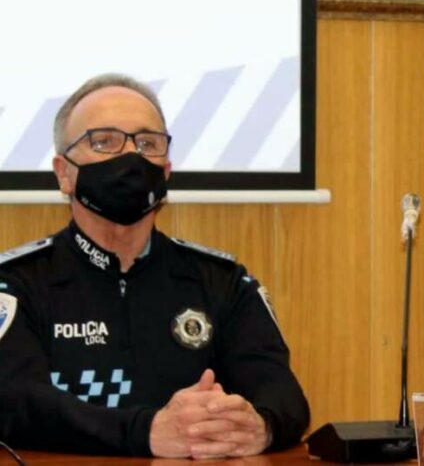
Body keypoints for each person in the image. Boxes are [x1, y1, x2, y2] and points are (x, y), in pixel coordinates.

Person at [0, 75, 310, 458]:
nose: (131, 157)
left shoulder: (223, 282)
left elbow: (283, 394)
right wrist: (146, 432)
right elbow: (15, 402)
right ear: (64, 173)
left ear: (165, 172)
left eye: (148, 143)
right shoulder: (16, 283)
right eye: (104, 141)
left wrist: (258, 428)